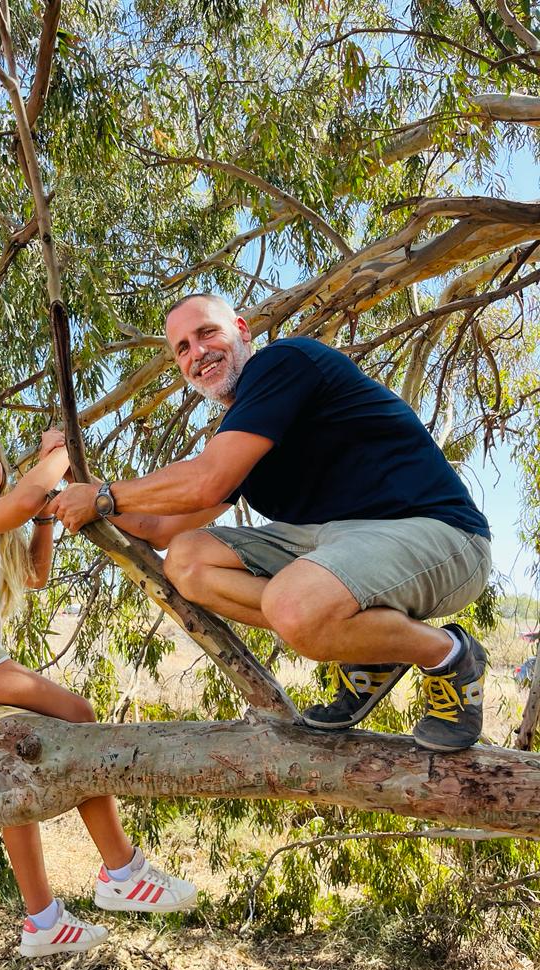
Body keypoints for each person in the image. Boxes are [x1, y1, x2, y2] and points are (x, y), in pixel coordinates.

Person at [50, 293, 492, 753]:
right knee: (188, 561)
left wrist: (102, 497)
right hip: (341, 546)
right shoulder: (248, 429)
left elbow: (206, 480)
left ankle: (449, 656)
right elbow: (161, 528)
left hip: (443, 537)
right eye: (182, 347)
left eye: (206, 333)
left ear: (242, 331)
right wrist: (83, 486)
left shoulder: (285, 362)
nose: (197, 353)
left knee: (293, 604)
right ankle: (374, 647)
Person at [0, 418, 196, 959]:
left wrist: (43, 521)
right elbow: (19, 500)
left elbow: (34, 575)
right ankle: (122, 871)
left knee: (15, 770)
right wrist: (55, 454)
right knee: (77, 711)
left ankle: (43, 920)